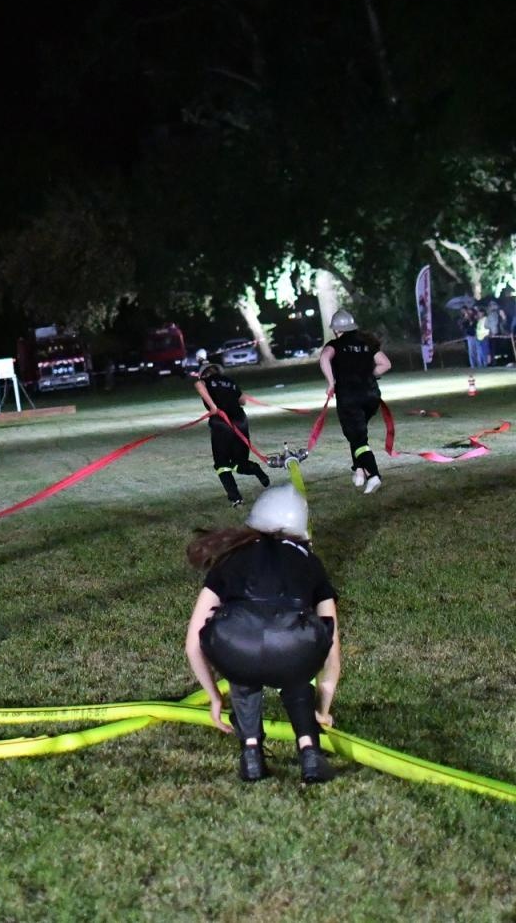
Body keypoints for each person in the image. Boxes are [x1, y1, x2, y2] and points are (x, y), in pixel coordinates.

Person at [183, 485, 342, 784]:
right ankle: (309, 751)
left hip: (236, 649)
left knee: (243, 670)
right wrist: (322, 707)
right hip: (294, 651)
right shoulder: (311, 562)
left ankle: (251, 754)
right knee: (296, 670)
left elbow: (193, 644)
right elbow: (331, 646)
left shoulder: (229, 559)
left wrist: (215, 697)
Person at [318, 309, 392, 494]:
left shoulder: (335, 344)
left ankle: (373, 475)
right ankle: (359, 472)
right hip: (371, 397)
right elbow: (385, 364)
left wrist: (331, 382)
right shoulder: (367, 343)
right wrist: (369, 375)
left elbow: (324, 358)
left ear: (336, 330)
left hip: (350, 397)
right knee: (357, 434)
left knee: (357, 438)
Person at [195, 361, 270, 507]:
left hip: (222, 423)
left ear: (204, 374)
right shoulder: (229, 381)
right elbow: (243, 401)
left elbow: (198, 385)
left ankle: (236, 498)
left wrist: (213, 406)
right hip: (241, 421)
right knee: (239, 463)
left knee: (222, 464)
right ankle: (256, 470)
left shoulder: (205, 381)